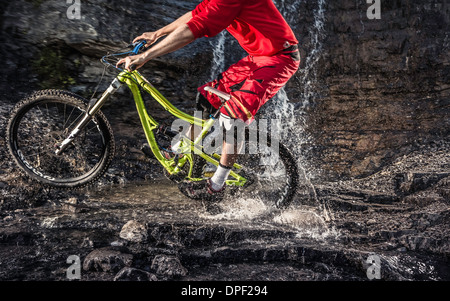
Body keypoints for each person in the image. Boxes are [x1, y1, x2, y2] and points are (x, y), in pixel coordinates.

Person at [117, 0, 300, 202]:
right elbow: (195, 14)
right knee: (207, 96)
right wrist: (157, 33)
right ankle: (180, 152)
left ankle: (217, 185)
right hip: (258, 57)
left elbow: (193, 29)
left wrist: (146, 56)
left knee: (232, 116)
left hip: (280, 59)